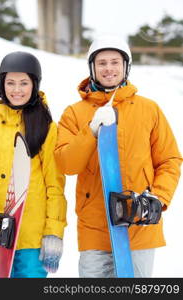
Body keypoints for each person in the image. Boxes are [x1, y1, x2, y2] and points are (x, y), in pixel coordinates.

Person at [54, 35, 182, 277]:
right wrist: (90, 130)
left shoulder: (149, 109)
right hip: (95, 228)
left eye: (115, 62)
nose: (109, 69)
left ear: (126, 67)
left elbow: (169, 159)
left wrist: (158, 198)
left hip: (139, 224)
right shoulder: (74, 113)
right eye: (102, 63)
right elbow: (66, 164)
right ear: (92, 68)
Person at [0, 51, 67, 278]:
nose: (17, 90)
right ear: (1, 85)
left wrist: (53, 232)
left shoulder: (46, 127)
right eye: (11, 83)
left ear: (34, 85)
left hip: (32, 238)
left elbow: (55, 185)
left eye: (24, 83)